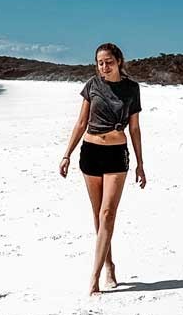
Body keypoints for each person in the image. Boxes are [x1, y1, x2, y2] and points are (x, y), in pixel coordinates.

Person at [59, 42, 146, 296]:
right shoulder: (92, 85)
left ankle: (94, 278)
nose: (104, 67)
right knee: (98, 217)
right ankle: (108, 263)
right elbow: (81, 122)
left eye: (108, 61)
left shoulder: (132, 89)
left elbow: (135, 129)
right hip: (91, 152)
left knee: (108, 214)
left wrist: (140, 163)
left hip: (117, 155)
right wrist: (66, 154)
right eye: (99, 63)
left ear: (118, 61)